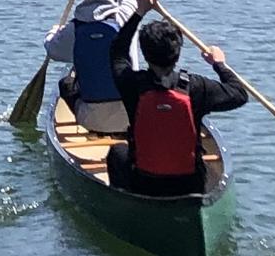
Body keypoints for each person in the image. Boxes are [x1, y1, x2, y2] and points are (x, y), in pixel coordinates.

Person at [105, 12, 250, 197]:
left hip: (143, 182)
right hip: (190, 185)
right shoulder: (197, 87)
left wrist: (139, 12)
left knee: (117, 152)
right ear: (178, 52)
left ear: (144, 53)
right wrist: (220, 64)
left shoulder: (131, 83)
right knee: (210, 168)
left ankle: (128, 203)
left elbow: (117, 52)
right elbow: (239, 94)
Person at [47, 0, 147, 135]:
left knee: (65, 84)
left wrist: (54, 32)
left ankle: (87, 132)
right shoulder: (125, 15)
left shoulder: (74, 28)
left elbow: (52, 50)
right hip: (131, 114)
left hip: (90, 120)